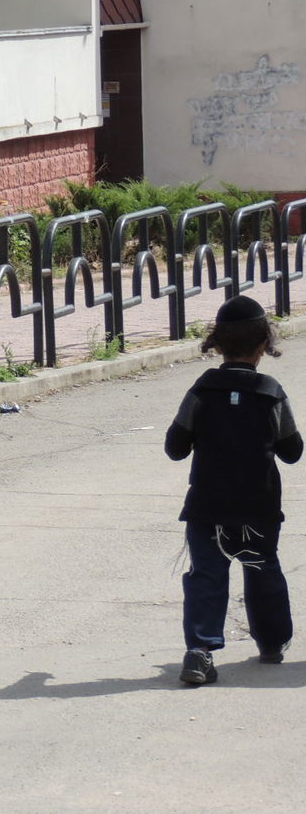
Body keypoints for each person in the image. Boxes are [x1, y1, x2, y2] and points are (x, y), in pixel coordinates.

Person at [165, 294, 302, 686]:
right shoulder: (271, 392)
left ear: (218, 344)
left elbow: (175, 446)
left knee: (206, 575)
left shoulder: (202, 391)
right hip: (258, 505)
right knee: (263, 569)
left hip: (207, 506)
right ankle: (272, 643)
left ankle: (200, 651)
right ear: (264, 345)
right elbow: (293, 451)